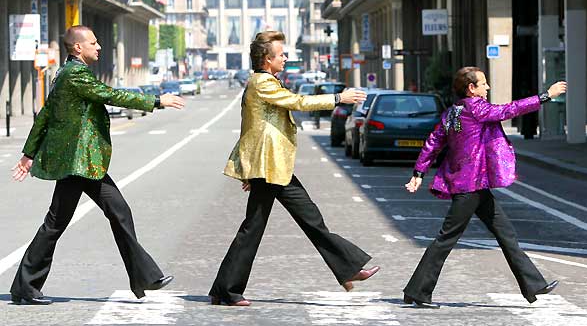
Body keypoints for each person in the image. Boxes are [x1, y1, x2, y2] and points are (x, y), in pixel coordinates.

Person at [10, 25, 185, 305]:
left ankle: (143, 276)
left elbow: (45, 114)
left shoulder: (65, 74)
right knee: (64, 222)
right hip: (80, 163)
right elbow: (111, 95)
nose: (99, 46)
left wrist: (29, 153)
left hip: (82, 163)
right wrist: (156, 100)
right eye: (93, 42)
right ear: (78, 47)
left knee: (112, 213)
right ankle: (25, 286)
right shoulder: (75, 74)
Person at [209, 31, 379, 306]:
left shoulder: (267, 81)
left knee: (305, 218)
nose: (286, 58)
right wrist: (338, 98)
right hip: (269, 167)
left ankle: (347, 269)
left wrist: (252, 168)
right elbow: (298, 102)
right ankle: (226, 291)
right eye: (281, 55)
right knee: (260, 227)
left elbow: (255, 125)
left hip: (272, 167)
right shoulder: (262, 82)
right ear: (267, 59)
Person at [402, 66, 566, 309]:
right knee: (446, 239)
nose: (487, 88)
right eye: (483, 84)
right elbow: (509, 110)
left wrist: (419, 172)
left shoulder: (452, 112)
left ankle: (533, 285)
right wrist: (545, 96)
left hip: (475, 186)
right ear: (471, 88)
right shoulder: (475, 108)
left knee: (506, 234)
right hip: (469, 187)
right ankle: (418, 291)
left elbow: (433, 142)